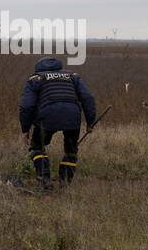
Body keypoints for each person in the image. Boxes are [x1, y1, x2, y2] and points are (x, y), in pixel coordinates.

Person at [18, 56, 97, 189]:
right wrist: (90, 122)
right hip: (73, 115)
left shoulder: (35, 79)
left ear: (38, 68)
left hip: (46, 116)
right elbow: (87, 98)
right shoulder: (72, 76)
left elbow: (27, 106)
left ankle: (44, 179)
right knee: (71, 150)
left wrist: (25, 129)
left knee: (37, 147)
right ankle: (65, 182)